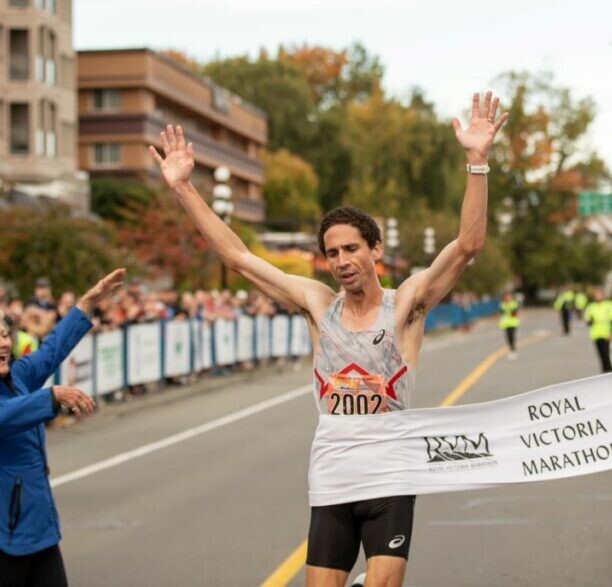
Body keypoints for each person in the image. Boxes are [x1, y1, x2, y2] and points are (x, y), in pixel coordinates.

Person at [150, 92, 507, 587]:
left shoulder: (406, 304)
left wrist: (477, 163)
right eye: (333, 252)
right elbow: (238, 258)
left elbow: (467, 245)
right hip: (333, 474)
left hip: (390, 472)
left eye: (352, 249)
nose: (342, 261)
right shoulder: (318, 305)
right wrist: (184, 188)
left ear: (375, 249)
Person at [0, 268, 124, 587]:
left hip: (39, 526)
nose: (4, 342)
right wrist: (51, 397)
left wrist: (86, 304)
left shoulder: (17, 376)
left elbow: (52, 351)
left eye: (4, 335)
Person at [584, 287, 612, 373]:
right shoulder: (591, 306)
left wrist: (611, 332)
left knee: (606, 352)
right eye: (596, 295)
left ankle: (610, 369)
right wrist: (590, 320)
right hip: (596, 334)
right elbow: (587, 320)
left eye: (599, 295)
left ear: (603, 295)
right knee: (601, 354)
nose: (597, 297)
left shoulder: (609, 305)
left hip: (606, 333)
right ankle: (605, 370)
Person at [500, 292, 521, 359]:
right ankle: (511, 349)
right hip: (506, 323)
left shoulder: (514, 304)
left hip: (513, 323)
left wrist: (510, 311)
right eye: (506, 297)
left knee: (512, 336)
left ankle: (513, 350)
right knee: (508, 337)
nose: (507, 298)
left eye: (509, 297)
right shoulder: (502, 304)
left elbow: (515, 313)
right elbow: (502, 312)